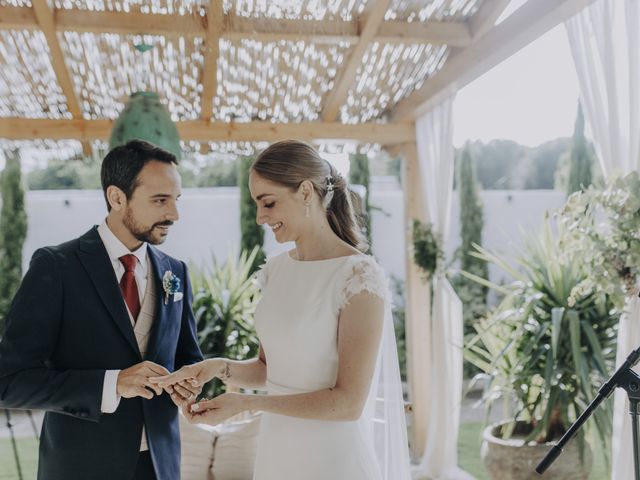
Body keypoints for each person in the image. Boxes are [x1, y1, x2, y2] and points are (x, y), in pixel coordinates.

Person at [151, 140, 411, 480]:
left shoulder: (358, 276)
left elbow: (348, 403)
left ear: (305, 192)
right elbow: (268, 369)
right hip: (277, 453)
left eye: (268, 203)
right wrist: (216, 368)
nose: (260, 217)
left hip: (332, 460)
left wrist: (246, 404)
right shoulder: (275, 271)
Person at [0, 140, 203, 480]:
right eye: (159, 200)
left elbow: (188, 357)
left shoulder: (175, 272)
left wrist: (190, 382)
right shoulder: (56, 267)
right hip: (82, 466)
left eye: (176, 199)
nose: (174, 214)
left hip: (160, 465)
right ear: (116, 197)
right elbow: (9, 381)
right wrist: (113, 384)